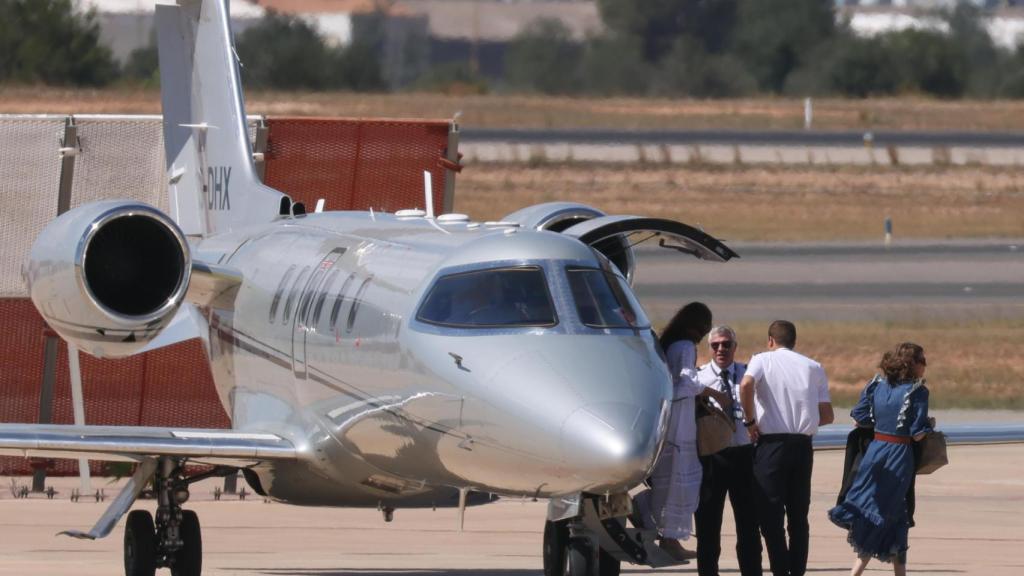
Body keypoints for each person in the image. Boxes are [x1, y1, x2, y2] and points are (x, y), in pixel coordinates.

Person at [738, 320, 833, 576]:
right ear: (794, 341)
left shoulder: (762, 360)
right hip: (802, 445)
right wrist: (803, 420)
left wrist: (750, 421)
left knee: (770, 514)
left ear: (771, 340)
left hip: (772, 445)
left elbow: (745, 385)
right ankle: (796, 570)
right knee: (798, 515)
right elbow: (827, 416)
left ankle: (780, 568)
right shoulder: (814, 367)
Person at [828, 343, 932, 576]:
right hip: (899, 455)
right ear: (912, 364)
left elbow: (858, 417)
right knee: (891, 510)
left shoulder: (875, 385)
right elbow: (917, 433)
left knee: (887, 509)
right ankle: (858, 570)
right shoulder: (918, 391)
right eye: (922, 360)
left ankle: (895, 570)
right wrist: (929, 427)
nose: (925, 365)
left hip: (875, 451)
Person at [646, 302, 732, 561]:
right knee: (681, 481)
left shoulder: (671, 344)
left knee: (669, 478)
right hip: (681, 419)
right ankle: (669, 538)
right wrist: (710, 388)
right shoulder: (685, 347)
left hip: (671, 418)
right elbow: (686, 383)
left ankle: (661, 529)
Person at [694, 325, 762, 576]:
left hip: (745, 456)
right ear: (709, 348)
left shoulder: (747, 375)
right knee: (708, 526)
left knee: (749, 525)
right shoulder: (698, 379)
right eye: (715, 345)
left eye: (726, 344)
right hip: (712, 459)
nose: (721, 349)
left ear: (735, 346)